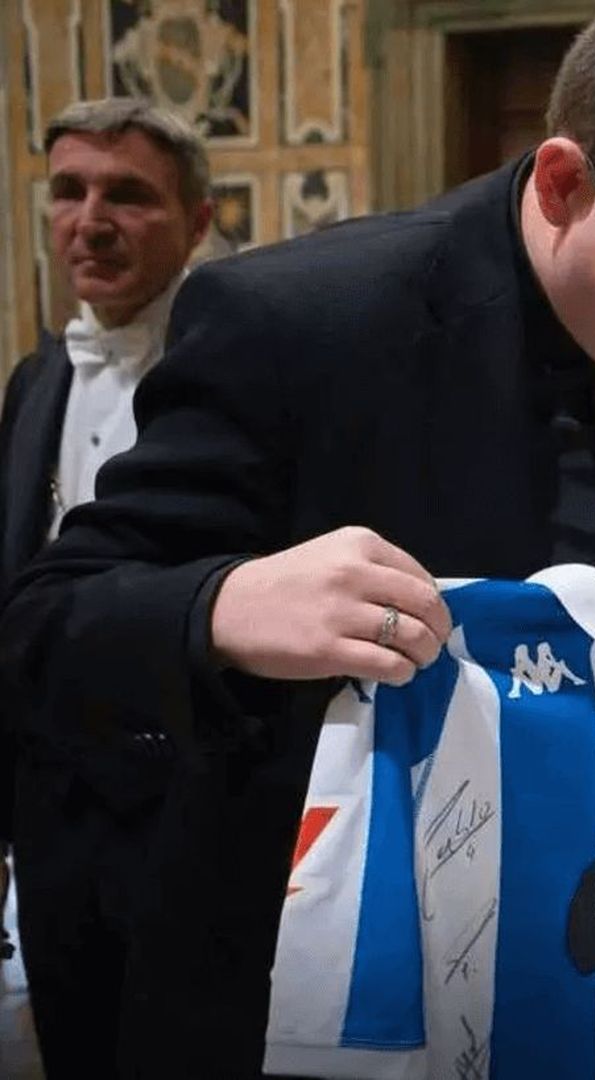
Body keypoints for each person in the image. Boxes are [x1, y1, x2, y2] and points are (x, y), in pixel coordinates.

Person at [0, 0, 595, 1072]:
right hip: (337, 977)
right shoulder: (303, 324)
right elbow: (44, 623)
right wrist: (223, 606)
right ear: (566, 185)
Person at [0, 98, 211, 1075]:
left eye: (128, 195)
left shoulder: (249, 369)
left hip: (196, 797)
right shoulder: (34, 380)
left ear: (199, 222)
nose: (91, 220)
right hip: (54, 798)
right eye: (69, 193)